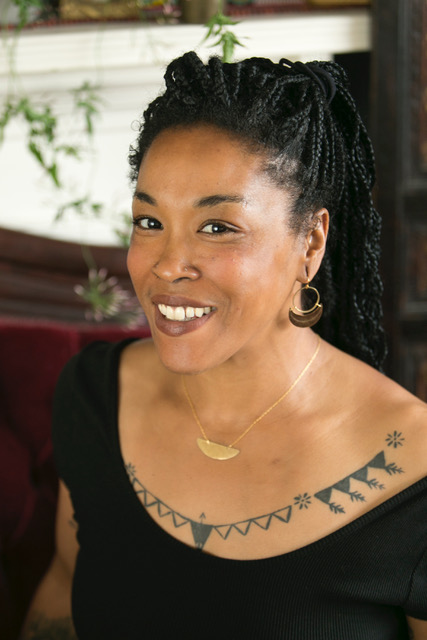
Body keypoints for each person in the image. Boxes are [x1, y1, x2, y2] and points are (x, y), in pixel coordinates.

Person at [21, 51, 427, 640]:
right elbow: (61, 597)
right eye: (149, 222)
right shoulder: (94, 397)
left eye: (218, 228)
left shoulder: (414, 471)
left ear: (310, 243)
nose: (167, 266)